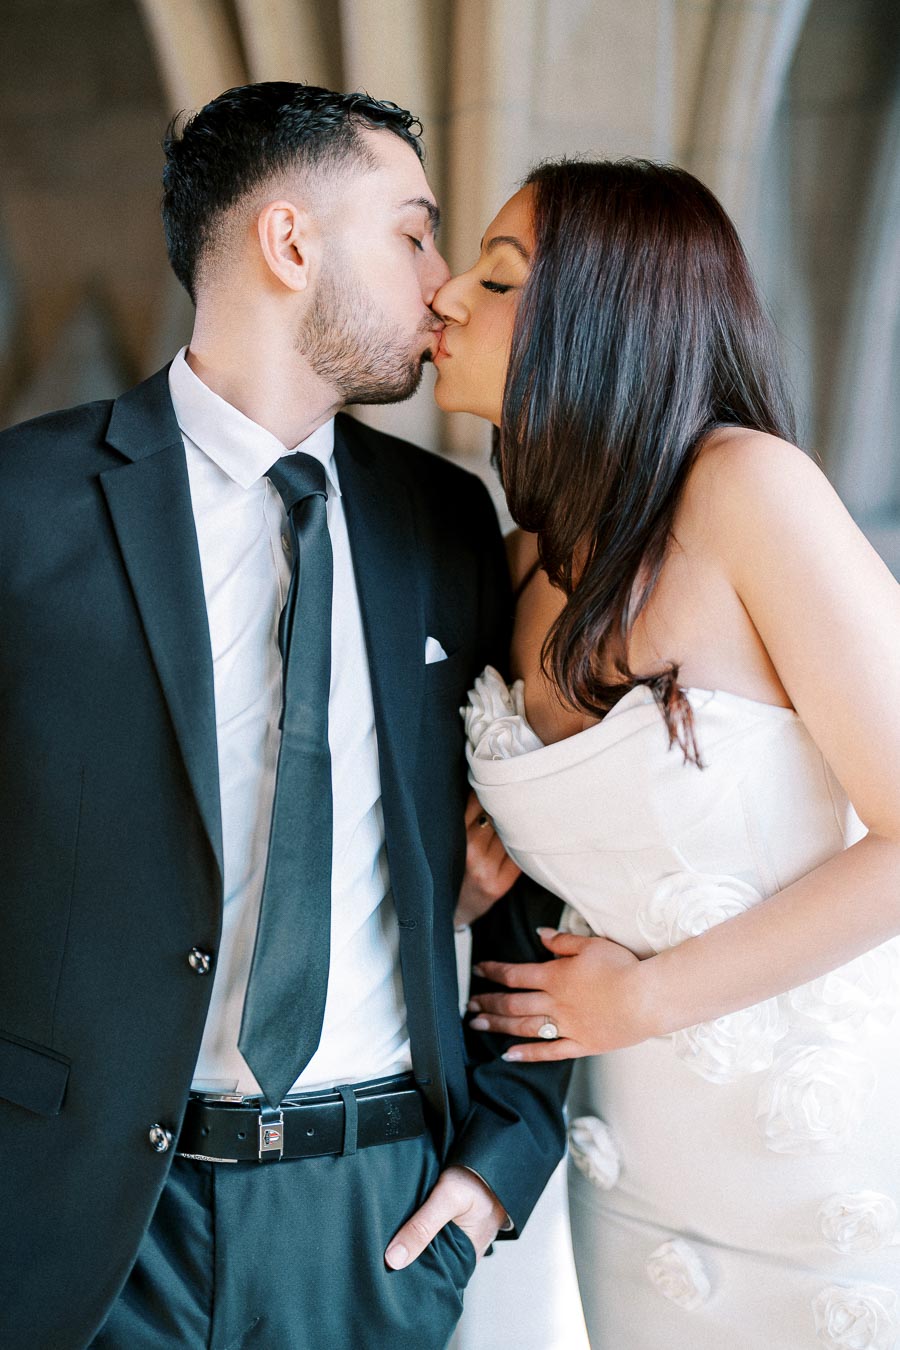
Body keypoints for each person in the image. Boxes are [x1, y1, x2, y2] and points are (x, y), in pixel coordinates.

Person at [0, 83, 571, 1350]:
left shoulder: (448, 525)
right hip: (76, 1231)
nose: (437, 286)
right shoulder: (21, 508)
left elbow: (537, 875)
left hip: (374, 1226)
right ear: (291, 241)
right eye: (413, 233)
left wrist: (494, 1175)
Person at [432, 159, 900, 1347]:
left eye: (494, 279)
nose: (442, 297)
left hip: (829, 1155)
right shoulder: (516, 564)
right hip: (630, 1169)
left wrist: (643, 996)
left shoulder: (746, 492)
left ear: (605, 311)